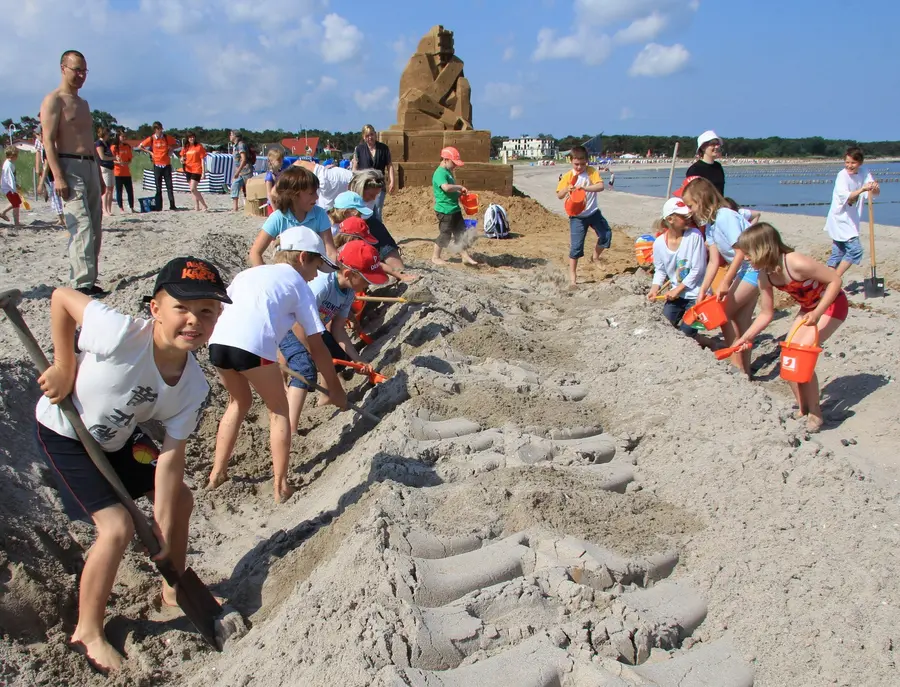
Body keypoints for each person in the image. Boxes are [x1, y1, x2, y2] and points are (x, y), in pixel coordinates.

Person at [34, 256, 230, 674]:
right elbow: (61, 298)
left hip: (119, 438)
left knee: (180, 501)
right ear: (155, 309)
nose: (193, 320)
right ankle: (87, 630)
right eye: (181, 308)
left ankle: (172, 587)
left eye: (206, 311)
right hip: (67, 432)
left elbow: (172, 458)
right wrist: (65, 365)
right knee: (118, 528)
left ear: (217, 319)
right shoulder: (120, 334)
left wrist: (161, 525)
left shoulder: (193, 386)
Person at [207, 227, 347, 501]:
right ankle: (281, 485)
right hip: (253, 347)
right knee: (279, 410)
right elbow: (317, 346)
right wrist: (334, 388)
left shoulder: (246, 274)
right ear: (303, 258)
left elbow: (223, 309)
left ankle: (217, 473)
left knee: (237, 403)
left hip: (218, 343)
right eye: (317, 266)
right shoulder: (298, 285)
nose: (316, 275)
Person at [732, 223, 847, 432]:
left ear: (763, 248)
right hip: (809, 308)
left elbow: (835, 280)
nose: (745, 258)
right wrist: (745, 338)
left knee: (802, 356)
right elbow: (767, 313)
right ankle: (802, 407)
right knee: (788, 357)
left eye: (748, 253)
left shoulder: (795, 262)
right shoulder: (764, 275)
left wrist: (818, 312)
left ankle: (815, 413)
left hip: (831, 305)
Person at [279, 238, 387, 432]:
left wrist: (357, 359)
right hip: (290, 325)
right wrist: (317, 353)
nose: (368, 285)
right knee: (304, 368)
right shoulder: (321, 286)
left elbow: (337, 329)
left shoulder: (347, 294)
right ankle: (290, 427)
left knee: (336, 355)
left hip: (313, 327)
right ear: (348, 274)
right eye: (366, 279)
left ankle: (326, 397)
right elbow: (297, 324)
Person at [40, 50, 106, 295]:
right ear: (62, 68)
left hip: (89, 165)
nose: (80, 75)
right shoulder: (54, 100)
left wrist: (98, 173)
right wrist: (57, 175)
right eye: (75, 69)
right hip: (68, 165)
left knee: (96, 226)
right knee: (81, 225)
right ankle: (81, 283)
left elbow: (88, 140)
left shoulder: (84, 104)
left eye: (83, 71)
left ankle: (90, 279)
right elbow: (48, 140)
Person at [684, 177, 758, 377]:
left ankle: (737, 367)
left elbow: (741, 250)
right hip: (744, 269)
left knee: (723, 313)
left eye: (691, 205)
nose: (689, 211)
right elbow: (714, 261)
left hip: (756, 268)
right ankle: (745, 371)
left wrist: (726, 282)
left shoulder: (726, 216)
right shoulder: (710, 225)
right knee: (740, 322)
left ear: (701, 200)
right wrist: (702, 290)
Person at [248, 166, 337, 266]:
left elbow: (330, 252)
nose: (317, 197)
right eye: (311, 193)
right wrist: (268, 277)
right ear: (293, 195)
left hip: (313, 274)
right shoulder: (278, 218)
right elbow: (255, 253)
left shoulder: (320, 214)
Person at [647, 198, 708, 339]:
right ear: (670, 219)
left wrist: (678, 289)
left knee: (687, 332)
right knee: (665, 328)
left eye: (688, 215)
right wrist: (654, 289)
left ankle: (706, 343)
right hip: (676, 297)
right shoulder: (659, 243)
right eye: (683, 216)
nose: (688, 218)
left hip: (696, 295)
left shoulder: (694, 236)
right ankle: (706, 342)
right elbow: (660, 270)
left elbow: (698, 269)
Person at [555, 145, 609, 287]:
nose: (579, 167)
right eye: (576, 164)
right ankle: (573, 279)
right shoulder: (568, 176)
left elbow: (601, 186)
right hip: (577, 216)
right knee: (576, 248)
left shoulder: (591, 172)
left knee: (606, 235)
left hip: (593, 212)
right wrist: (567, 189)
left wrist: (584, 188)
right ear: (571, 161)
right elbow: (559, 195)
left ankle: (595, 257)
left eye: (582, 164)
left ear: (587, 162)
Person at [823, 146, 880, 278]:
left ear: (860, 163)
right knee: (855, 251)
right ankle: (835, 279)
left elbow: (873, 193)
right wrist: (862, 189)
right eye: (847, 162)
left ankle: (826, 281)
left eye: (853, 163)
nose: (849, 165)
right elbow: (849, 197)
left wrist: (874, 188)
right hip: (839, 218)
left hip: (852, 218)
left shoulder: (864, 172)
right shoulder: (841, 176)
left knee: (838, 252)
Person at [432, 146, 479, 267]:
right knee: (445, 234)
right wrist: (459, 187)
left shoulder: (448, 172)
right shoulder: (439, 173)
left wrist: (459, 195)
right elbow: (446, 188)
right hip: (445, 210)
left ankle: (465, 256)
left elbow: (450, 191)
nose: (455, 166)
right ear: (446, 159)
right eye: (454, 163)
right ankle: (435, 257)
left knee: (461, 233)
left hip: (454, 208)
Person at [351, 124, 394, 221]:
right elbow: (355, 167)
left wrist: (392, 181)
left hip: (379, 185)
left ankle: (378, 234)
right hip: (363, 187)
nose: (370, 137)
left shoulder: (383, 148)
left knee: (377, 211)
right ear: (363, 137)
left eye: (371, 134)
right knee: (363, 211)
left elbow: (389, 165)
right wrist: (353, 183)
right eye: (367, 136)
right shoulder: (359, 149)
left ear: (375, 134)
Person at [138, 122, 178, 212]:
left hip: (167, 165)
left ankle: (172, 205)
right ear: (155, 130)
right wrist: (150, 152)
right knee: (158, 187)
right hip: (157, 165)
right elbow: (140, 146)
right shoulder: (151, 139)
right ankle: (159, 207)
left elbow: (176, 144)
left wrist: (171, 149)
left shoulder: (166, 137)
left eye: (161, 129)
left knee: (169, 186)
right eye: (159, 129)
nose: (160, 131)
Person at [35, 121, 67, 227]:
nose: (37, 137)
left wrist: (40, 183)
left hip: (54, 175)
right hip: (56, 174)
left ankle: (62, 219)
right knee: (56, 197)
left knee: (56, 197)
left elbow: (47, 165)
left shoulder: (48, 146)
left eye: (38, 134)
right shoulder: (53, 143)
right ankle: (61, 218)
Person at [686, 130, 726, 195]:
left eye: (717, 144)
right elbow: (693, 195)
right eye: (713, 144)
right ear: (703, 147)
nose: (717, 147)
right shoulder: (694, 170)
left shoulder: (718, 166)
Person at [179, 132, 208, 212]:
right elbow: (182, 157)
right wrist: (182, 159)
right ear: (187, 139)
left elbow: (203, 159)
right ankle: (197, 206)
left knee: (193, 188)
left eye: (193, 137)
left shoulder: (199, 146)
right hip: (188, 169)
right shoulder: (186, 147)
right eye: (190, 137)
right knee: (193, 190)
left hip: (197, 169)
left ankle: (204, 205)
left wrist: (203, 172)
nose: (192, 138)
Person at [110, 131, 135, 214]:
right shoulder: (114, 147)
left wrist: (127, 162)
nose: (124, 138)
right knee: (119, 191)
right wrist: (118, 162)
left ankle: (131, 207)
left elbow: (130, 158)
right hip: (118, 172)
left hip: (126, 172)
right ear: (118, 137)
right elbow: (110, 160)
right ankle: (121, 208)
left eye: (125, 137)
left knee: (130, 191)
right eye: (122, 136)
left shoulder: (127, 146)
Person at [229, 130, 253, 212]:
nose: (230, 136)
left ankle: (249, 207)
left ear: (236, 136)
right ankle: (235, 207)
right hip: (241, 171)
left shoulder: (240, 145)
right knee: (235, 186)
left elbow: (244, 159)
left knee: (248, 189)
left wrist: (237, 172)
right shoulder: (235, 146)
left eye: (231, 135)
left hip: (246, 170)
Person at [94, 127, 115, 217]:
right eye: (108, 134)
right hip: (104, 167)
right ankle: (104, 210)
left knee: (110, 189)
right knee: (106, 189)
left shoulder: (107, 143)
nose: (109, 135)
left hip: (110, 167)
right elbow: (102, 157)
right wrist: (113, 158)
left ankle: (109, 209)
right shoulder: (99, 143)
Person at [0, 146, 22, 227]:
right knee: (16, 204)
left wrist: (16, 185)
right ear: (13, 156)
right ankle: (17, 223)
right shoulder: (8, 165)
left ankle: (2, 212)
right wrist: (15, 189)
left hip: (9, 187)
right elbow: (9, 178)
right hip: (9, 188)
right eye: (17, 155)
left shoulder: (8, 163)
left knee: (17, 202)